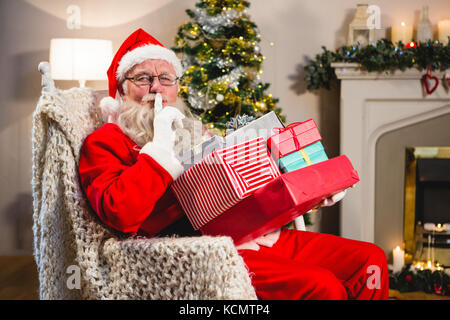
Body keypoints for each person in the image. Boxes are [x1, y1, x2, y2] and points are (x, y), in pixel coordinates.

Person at [79, 28, 389, 300]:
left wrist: (314, 189)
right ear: (121, 89)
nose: (156, 88)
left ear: (176, 88)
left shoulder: (196, 133)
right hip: (204, 251)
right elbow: (120, 213)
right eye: (143, 79)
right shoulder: (105, 141)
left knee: (371, 262)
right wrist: (158, 151)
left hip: (258, 235)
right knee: (323, 287)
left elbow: (251, 183)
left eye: (165, 78)